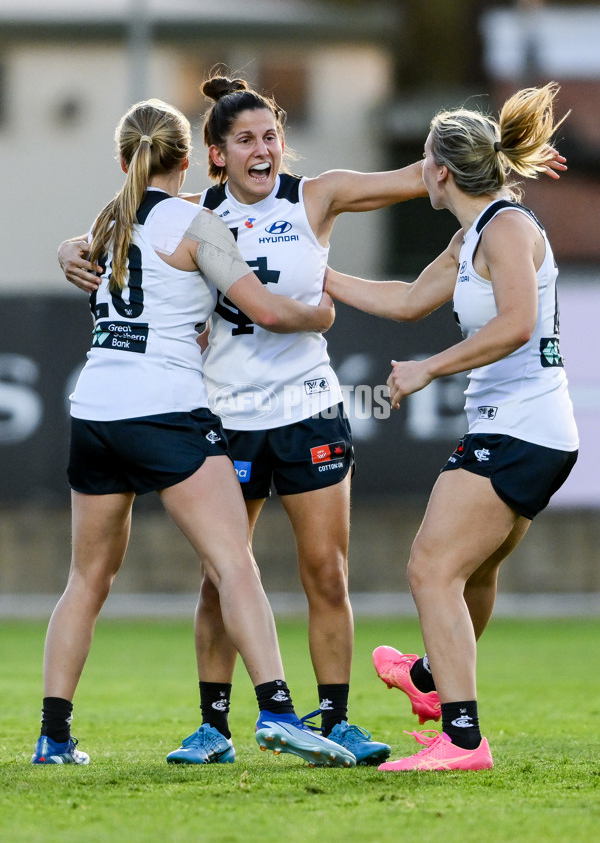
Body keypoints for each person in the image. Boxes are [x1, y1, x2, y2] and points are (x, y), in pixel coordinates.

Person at [58, 72, 434, 766]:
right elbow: (107, 234)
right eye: (245, 140)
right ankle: (214, 726)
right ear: (216, 155)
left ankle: (338, 719)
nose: (263, 150)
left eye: (271, 137)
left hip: (308, 408)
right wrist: (68, 250)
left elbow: (418, 176)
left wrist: (496, 150)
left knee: (326, 573)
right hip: (224, 414)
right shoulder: (189, 210)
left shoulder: (314, 195)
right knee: (220, 575)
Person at [324, 81, 578, 771]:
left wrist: (428, 370)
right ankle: (436, 686)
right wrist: (319, 277)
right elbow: (407, 299)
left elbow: (518, 324)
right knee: (468, 575)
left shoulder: (507, 229)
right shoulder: (474, 234)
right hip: (528, 427)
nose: (420, 176)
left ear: (439, 171)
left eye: (422, 165)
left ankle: (463, 738)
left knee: (430, 569)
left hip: (522, 426)